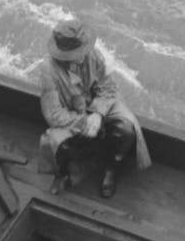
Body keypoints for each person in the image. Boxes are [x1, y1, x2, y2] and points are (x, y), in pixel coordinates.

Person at [38, 19, 151, 198]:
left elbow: (108, 87)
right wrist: (84, 122)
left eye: (83, 48)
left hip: (100, 104)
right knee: (55, 143)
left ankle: (111, 169)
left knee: (127, 129)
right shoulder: (48, 70)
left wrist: (98, 114)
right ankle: (65, 174)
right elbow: (53, 114)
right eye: (77, 52)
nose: (84, 54)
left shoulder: (93, 54)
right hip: (72, 114)